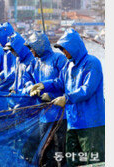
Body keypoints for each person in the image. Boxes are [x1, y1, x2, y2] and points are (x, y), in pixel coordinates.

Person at [30, 28, 105, 166]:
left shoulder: (92, 63)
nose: (64, 52)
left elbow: (87, 89)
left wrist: (66, 98)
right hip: (72, 123)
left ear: (74, 47)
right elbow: (59, 82)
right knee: (72, 161)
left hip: (91, 123)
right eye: (62, 49)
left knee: (93, 161)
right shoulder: (69, 65)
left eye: (65, 49)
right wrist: (43, 85)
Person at [22, 31, 68, 167]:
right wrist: (31, 87)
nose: (31, 51)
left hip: (60, 114)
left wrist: (52, 95)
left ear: (39, 46)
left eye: (32, 47)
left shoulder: (59, 59)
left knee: (60, 151)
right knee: (45, 150)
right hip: (44, 115)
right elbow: (26, 78)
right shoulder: (35, 63)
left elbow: (65, 82)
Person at [2, 32, 35, 108]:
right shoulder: (18, 59)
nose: (12, 52)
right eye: (11, 50)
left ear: (18, 47)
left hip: (28, 100)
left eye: (13, 50)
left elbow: (31, 81)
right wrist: (13, 88)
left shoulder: (31, 60)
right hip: (19, 97)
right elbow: (17, 78)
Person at [0, 22, 17, 92]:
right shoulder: (7, 51)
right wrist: (1, 75)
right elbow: (8, 69)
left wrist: (0, 88)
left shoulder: (14, 51)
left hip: (12, 89)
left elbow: (14, 73)